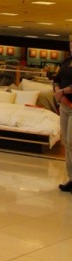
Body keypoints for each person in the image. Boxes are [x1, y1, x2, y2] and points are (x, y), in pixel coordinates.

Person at [53, 41, 72, 193]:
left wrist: (63, 92)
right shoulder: (66, 62)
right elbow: (56, 79)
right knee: (66, 141)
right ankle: (70, 177)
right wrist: (58, 92)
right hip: (64, 106)